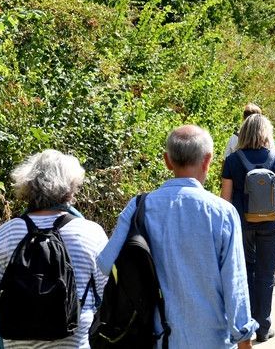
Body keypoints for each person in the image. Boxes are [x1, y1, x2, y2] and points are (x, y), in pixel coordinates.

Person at [98, 125, 258, 349]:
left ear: (167, 160)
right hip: (211, 340)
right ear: (208, 161)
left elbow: (105, 264)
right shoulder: (222, 213)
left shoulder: (138, 207)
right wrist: (243, 339)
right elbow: (235, 283)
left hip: (155, 337)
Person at [0, 149, 108, 349]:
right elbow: (107, 296)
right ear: (70, 188)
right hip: (75, 342)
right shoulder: (90, 233)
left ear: (27, 185)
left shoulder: (5, 233)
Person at [221, 114, 275, 343]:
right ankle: (263, 326)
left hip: (243, 224)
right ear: (266, 133)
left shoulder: (232, 160)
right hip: (272, 225)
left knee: (246, 272)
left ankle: (247, 324)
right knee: (266, 274)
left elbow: (225, 200)